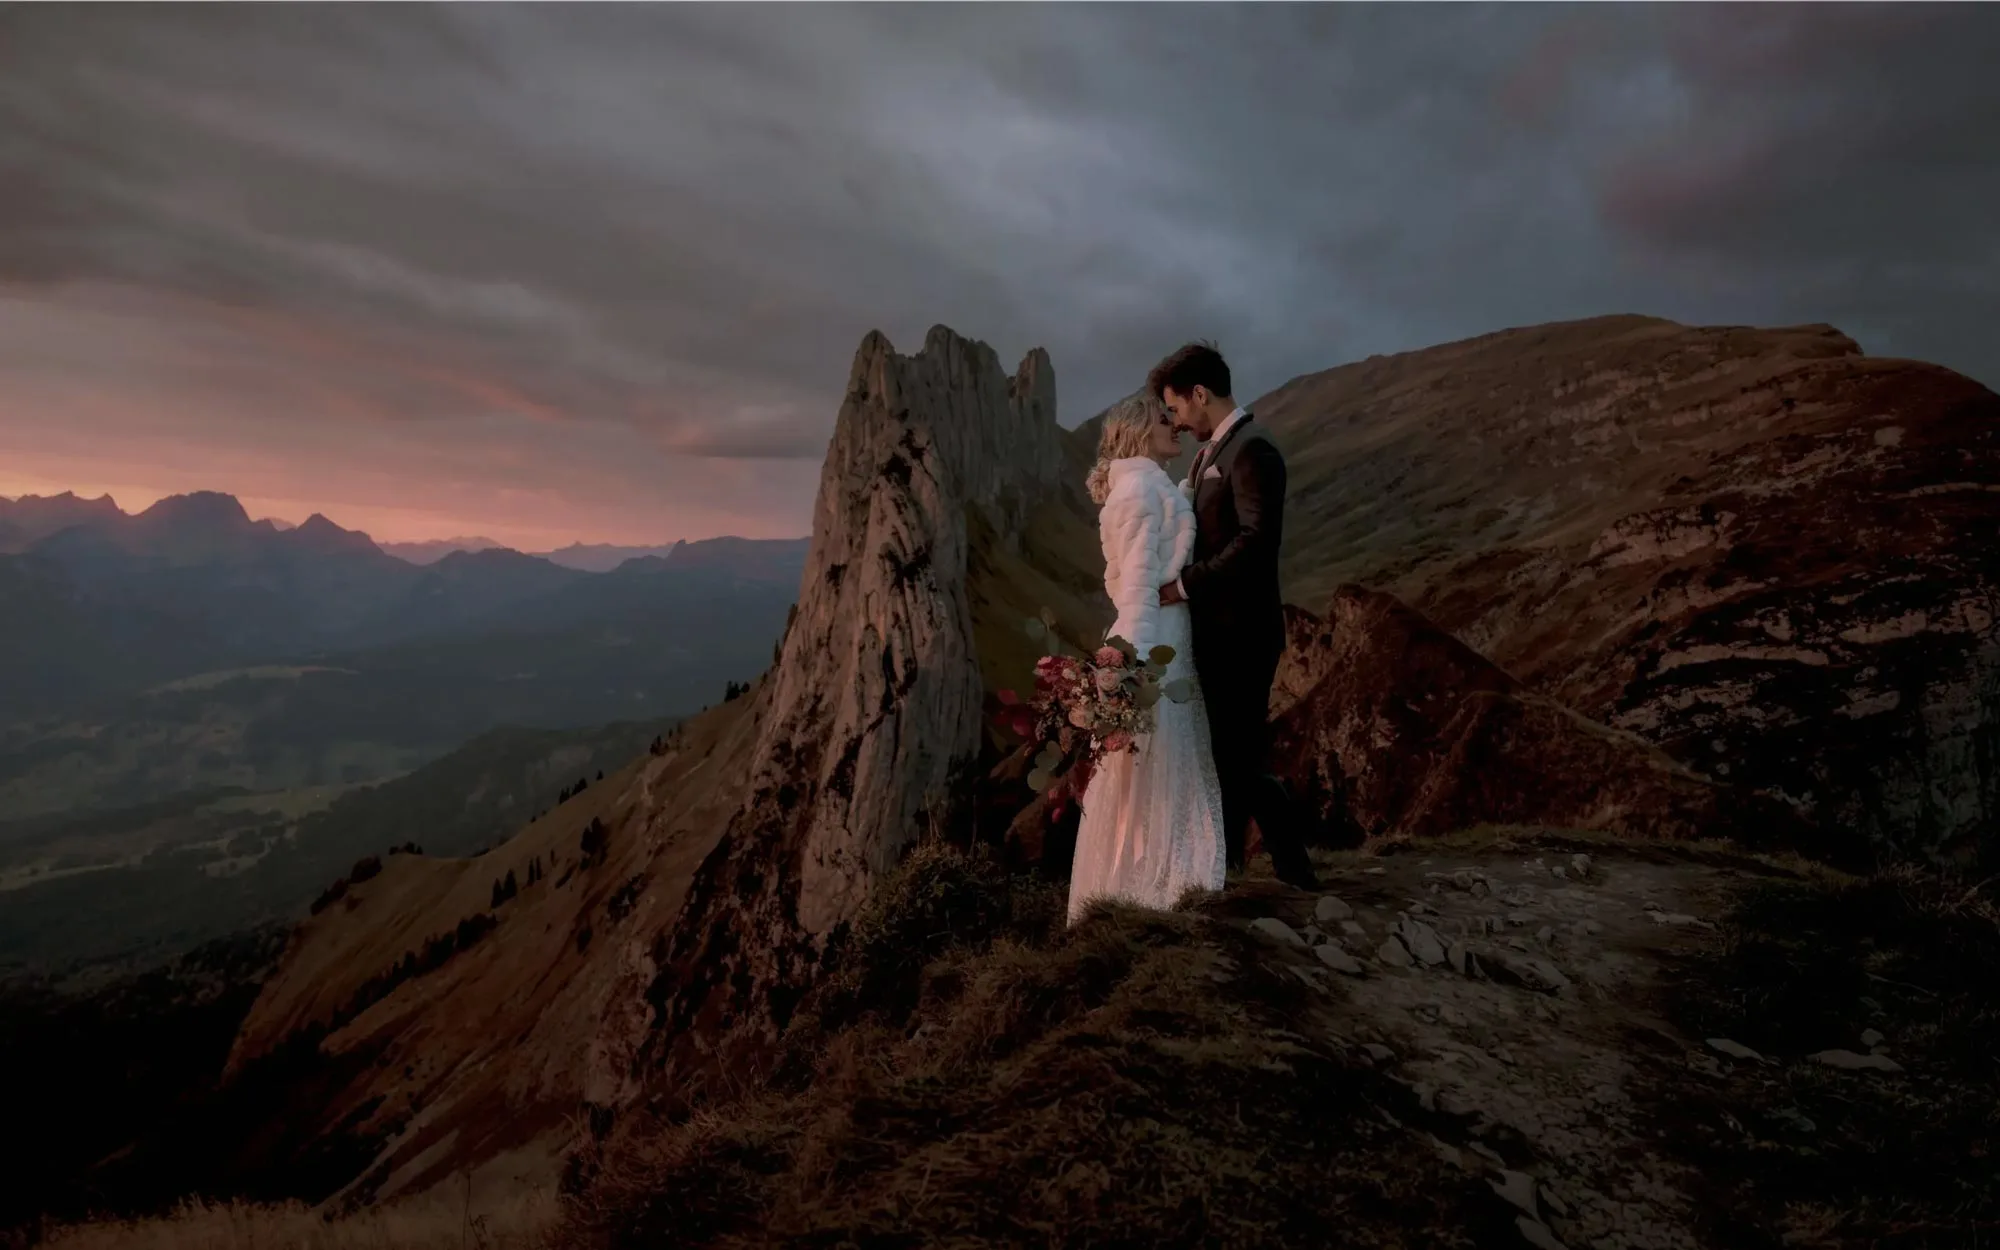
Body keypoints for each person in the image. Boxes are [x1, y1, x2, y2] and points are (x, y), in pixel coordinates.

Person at [1150, 341, 1321, 891]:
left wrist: (1182, 586)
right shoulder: (1213, 454)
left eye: (1175, 407)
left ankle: (1271, 873)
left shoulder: (1252, 450)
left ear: (1200, 394)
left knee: (1237, 760)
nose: (1173, 420)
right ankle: (1241, 872)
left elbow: (1255, 542)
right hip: (1219, 631)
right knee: (1229, 758)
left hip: (1243, 632)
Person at [1066, 394, 1228, 924]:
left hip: (1166, 639)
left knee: (1162, 762)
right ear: (1139, 433)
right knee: (1154, 764)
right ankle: (1150, 887)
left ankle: (1158, 881)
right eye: (1165, 421)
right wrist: (1125, 667)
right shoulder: (1136, 490)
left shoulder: (1147, 485)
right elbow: (1136, 590)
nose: (1176, 425)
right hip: (1155, 642)